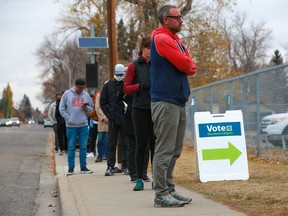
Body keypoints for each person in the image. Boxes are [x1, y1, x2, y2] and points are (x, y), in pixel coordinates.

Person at [150, 5, 197, 207]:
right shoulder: (161, 38)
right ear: (165, 20)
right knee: (164, 150)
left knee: (175, 150)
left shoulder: (176, 41)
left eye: (181, 17)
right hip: (165, 101)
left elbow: (190, 65)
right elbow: (186, 65)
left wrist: (187, 62)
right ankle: (160, 194)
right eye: (177, 17)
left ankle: (169, 189)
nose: (181, 21)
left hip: (177, 101)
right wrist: (187, 62)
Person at [124, 36, 156, 191]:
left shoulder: (159, 64)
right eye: (148, 47)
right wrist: (139, 86)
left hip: (156, 108)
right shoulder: (134, 66)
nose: (150, 50)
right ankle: (138, 178)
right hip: (139, 109)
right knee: (140, 144)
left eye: (152, 47)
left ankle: (157, 178)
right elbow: (126, 88)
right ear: (142, 48)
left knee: (155, 145)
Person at [59, 78, 94, 175]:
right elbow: (61, 108)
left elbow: (92, 108)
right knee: (71, 147)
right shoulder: (67, 94)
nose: (80, 90)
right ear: (75, 85)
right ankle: (71, 168)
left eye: (82, 88)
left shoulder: (86, 95)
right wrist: (68, 118)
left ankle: (83, 167)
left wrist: (86, 108)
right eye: (79, 88)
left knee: (83, 147)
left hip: (83, 125)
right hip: (71, 125)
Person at [100, 64, 129, 176]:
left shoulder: (126, 84)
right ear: (114, 73)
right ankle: (110, 166)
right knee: (111, 143)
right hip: (112, 118)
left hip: (124, 118)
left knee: (125, 143)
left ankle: (125, 166)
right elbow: (103, 102)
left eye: (121, 74)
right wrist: (108, 114)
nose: (119, 76)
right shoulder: (108, 86)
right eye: (117, 74)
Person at [95, 84, 109, 162]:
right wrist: (103, 117)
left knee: (107, 140)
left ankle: (106, 155)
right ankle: (99, 156)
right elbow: (97, 107)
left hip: (110, 120)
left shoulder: (111, 95)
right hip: (101, 121)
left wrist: (109, 116)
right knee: (100, 139)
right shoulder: (99, 96)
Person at [86, 93, 98, 158]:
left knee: (100, 139)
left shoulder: (97, 104)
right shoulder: (89, 105)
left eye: (92, 99)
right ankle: (92, 151)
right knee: (91, 137)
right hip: (92, 123)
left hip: (98, 122)